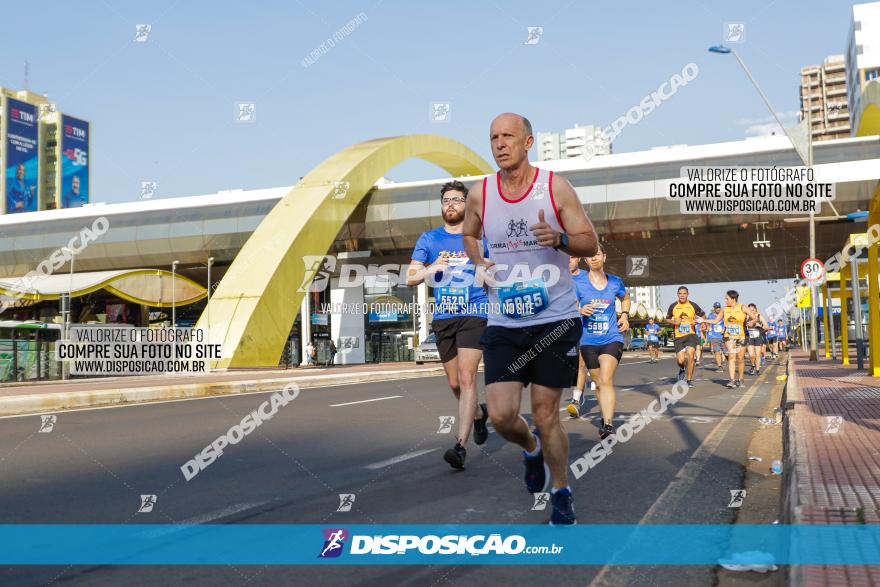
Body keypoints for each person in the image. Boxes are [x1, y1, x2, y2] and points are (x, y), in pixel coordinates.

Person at [462, 112, 599, 525]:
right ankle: (531, 450)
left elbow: (590, 241)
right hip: (505, 320)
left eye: (508, 136)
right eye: (493, 138)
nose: (500, 143)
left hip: (555, 318)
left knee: (545, 413)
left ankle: (561, 490)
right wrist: (479, 261)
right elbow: (469, 233)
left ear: (528, 142)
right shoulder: (479, 193)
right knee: (502, 415)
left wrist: (558, 238)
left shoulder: (553, 186)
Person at [407, 180, 490, 470]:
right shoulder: (429, 240)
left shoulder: (479, 237)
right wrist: (432, 268)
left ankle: (460, 446)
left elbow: (494, 271)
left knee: (468, 380)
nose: (450, 204)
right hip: (444, 317)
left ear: (467, 204)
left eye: (456, 199)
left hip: (475, 313)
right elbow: (411, 277)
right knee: (455, 384)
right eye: (446, 200)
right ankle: (479, 414)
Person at [567, 245, 630, 438]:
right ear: (586, 260)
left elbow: (625, 297)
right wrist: (578, 311)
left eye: (597, 255)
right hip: (588, 341)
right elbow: (566, 306)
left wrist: (625, 315)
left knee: (605, 379)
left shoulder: (615, 282)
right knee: (597, 382)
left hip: (612, 338)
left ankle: (608, 425)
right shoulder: (579, 284)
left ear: (604, 257)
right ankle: (605, 416)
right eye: (590, 256)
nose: (593, 258)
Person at [703, 290, 747, 388]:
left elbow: (754, 317)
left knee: (740, 359)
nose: (725, 300)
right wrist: (703, 320)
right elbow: (715, 321)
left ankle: (741, 379)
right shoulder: (724, 309)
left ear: (733, 299)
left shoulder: (742, 307)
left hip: (741, 336)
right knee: (731, 357)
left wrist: (752, 322)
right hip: (729, 336)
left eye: (727, 299)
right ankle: (732, 380)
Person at [568, 256, 594, 413]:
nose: (568, 261)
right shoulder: (557, 277)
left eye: (571, 257)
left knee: (581, 364)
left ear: (578, 259)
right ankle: (579, 391)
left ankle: (576, 399)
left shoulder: (588, 277)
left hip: (585, 326)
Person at [666, 286, 706, 388]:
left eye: (684, 293)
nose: (682, 295)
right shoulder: (673, 306)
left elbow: (703, 315)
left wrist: (698, 321)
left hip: (691, 335)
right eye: (680, 293)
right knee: (680, 361)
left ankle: (689, 380)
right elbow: (667, 319)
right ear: (677, 294)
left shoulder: (692, 305)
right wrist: (674, 322)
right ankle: (682, 368)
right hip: (678, 336)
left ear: (687, 294)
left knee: (691, 355)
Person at [744, 304, 766, 376]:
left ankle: (757, 370)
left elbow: (766, 326)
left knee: (758, 355)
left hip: (758, 337)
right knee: (751, 355)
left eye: (752, 310)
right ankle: (753, 365)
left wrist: (760, 327)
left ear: (755, 310)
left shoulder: (759, 316)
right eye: (749, 310)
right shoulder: (746, 317)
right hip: (750, 337)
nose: (751, 312)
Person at [705, 302, 727, 371]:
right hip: (715, 336)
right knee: (717, 351)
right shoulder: (711, 316)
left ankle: (729, 362)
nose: (718, 309)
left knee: (726, 352)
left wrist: (724, 329)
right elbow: (708, 324)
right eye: (716, 308)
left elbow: (728, 323)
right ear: (714, 308)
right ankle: (719, 366)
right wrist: (708, 333)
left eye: (719, 308)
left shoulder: (724, 315)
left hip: (724, 336)